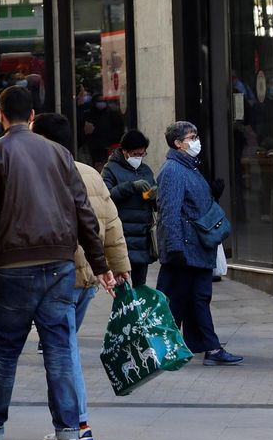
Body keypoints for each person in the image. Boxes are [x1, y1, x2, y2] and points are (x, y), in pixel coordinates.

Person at [0, 86, 114, 440]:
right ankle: (68, 432)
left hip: (12, 266)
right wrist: (100, 264)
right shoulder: (60, 154)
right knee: (59, 348)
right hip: (59, 264)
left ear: (0, 115)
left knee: (6, 351)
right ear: (31, 116)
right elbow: (84, 213)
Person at [31, 112, 131, 440]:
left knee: (64, 351)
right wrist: (119, 266)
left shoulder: (43, 173)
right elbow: (112, 222)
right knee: (65, 344)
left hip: (60, 275)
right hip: (89, 275)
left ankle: (77, 423)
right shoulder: (90, 172)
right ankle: (74, 421)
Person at [157, 121, 243, 366]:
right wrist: (175, 248)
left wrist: (212, 193)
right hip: (185, 250)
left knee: (197, 299)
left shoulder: (188, 168)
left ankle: (210, 349)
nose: (196, 142)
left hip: (196, 247)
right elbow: (169, 212)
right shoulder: (173, 170)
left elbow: (193, 205)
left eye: (196, 136)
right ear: (178, 143)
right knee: (180, 301)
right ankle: (172, 350)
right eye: (192, 137)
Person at [102, 130, 157, 287]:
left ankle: (139, 312)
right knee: (122, 287)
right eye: (135, 153)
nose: (138, 157)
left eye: (142, 154)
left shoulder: (145, 170)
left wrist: (153, 195)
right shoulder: (110, 169)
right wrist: (131, 187)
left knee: (141, 286)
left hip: (142, 236)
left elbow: (153, 200)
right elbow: (106, 196)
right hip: (121, 235)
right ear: (124, 151)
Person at [80, 93, 124, 172]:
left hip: (108, 147)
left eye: (103, 101)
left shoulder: (112, 114)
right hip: (93, 148)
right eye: (99, 101)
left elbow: (119, 130)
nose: (101, 103)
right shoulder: (88, 115)